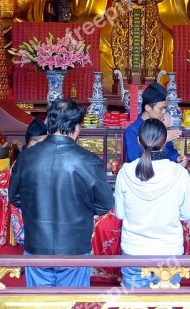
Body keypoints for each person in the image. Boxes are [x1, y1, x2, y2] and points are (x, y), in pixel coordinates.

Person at [9, 99, 114, 287]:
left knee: (38, 308)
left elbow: (15, 197)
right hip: (74, 246)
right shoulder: (87, 160)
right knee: (71, 307)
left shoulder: (26, 156)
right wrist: (81, 209)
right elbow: (104, 203)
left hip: (36, 244)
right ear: (75, 127)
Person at [114, 119, 190, 288]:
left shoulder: (126, 172)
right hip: (169, 251)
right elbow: (187, 214)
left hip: (134, 250)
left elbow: (120, 214)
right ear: (166, 141)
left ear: (138, 141)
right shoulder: (179, 173)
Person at [123, 82, 187, 166]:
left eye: (165, 108)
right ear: (148, 107)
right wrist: (161, 141)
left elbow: (170, 152)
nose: (164, 112)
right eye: (161, 108)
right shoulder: (132, 131)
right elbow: (135, 160)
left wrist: (177, 158)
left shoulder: (160, 127)